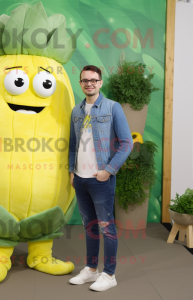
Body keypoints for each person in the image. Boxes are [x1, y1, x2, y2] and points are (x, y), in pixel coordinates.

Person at [68, 65, 133, 291]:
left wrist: (109, 170)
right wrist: (71, 171)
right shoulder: (76, 111)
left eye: (93, 80)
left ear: (100, 82)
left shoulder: (112, 108)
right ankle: (91, 269)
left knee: (106, 227)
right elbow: (73, 144)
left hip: (101, 179)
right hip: (80, 178)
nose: (89, 83)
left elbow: (127, 143)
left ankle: (109, 274)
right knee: (89, 227)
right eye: (85, 80)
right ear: (81, 83)